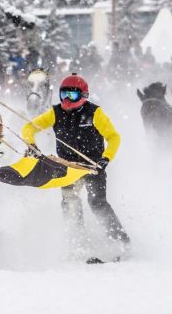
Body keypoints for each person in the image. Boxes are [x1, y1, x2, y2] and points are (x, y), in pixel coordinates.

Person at [21, 73, 130, 251]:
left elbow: (113, 137)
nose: (67, 100)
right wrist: (31, 144)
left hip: (93, 166)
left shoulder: (95, 113)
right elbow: (28, 127)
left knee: (97, 203)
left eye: (73, 95)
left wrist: (106, 158)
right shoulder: (55, 113)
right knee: (70, 202)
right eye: (64, 94)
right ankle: (78, 241)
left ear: (84, 96)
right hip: (68, 167)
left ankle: (120, 240)